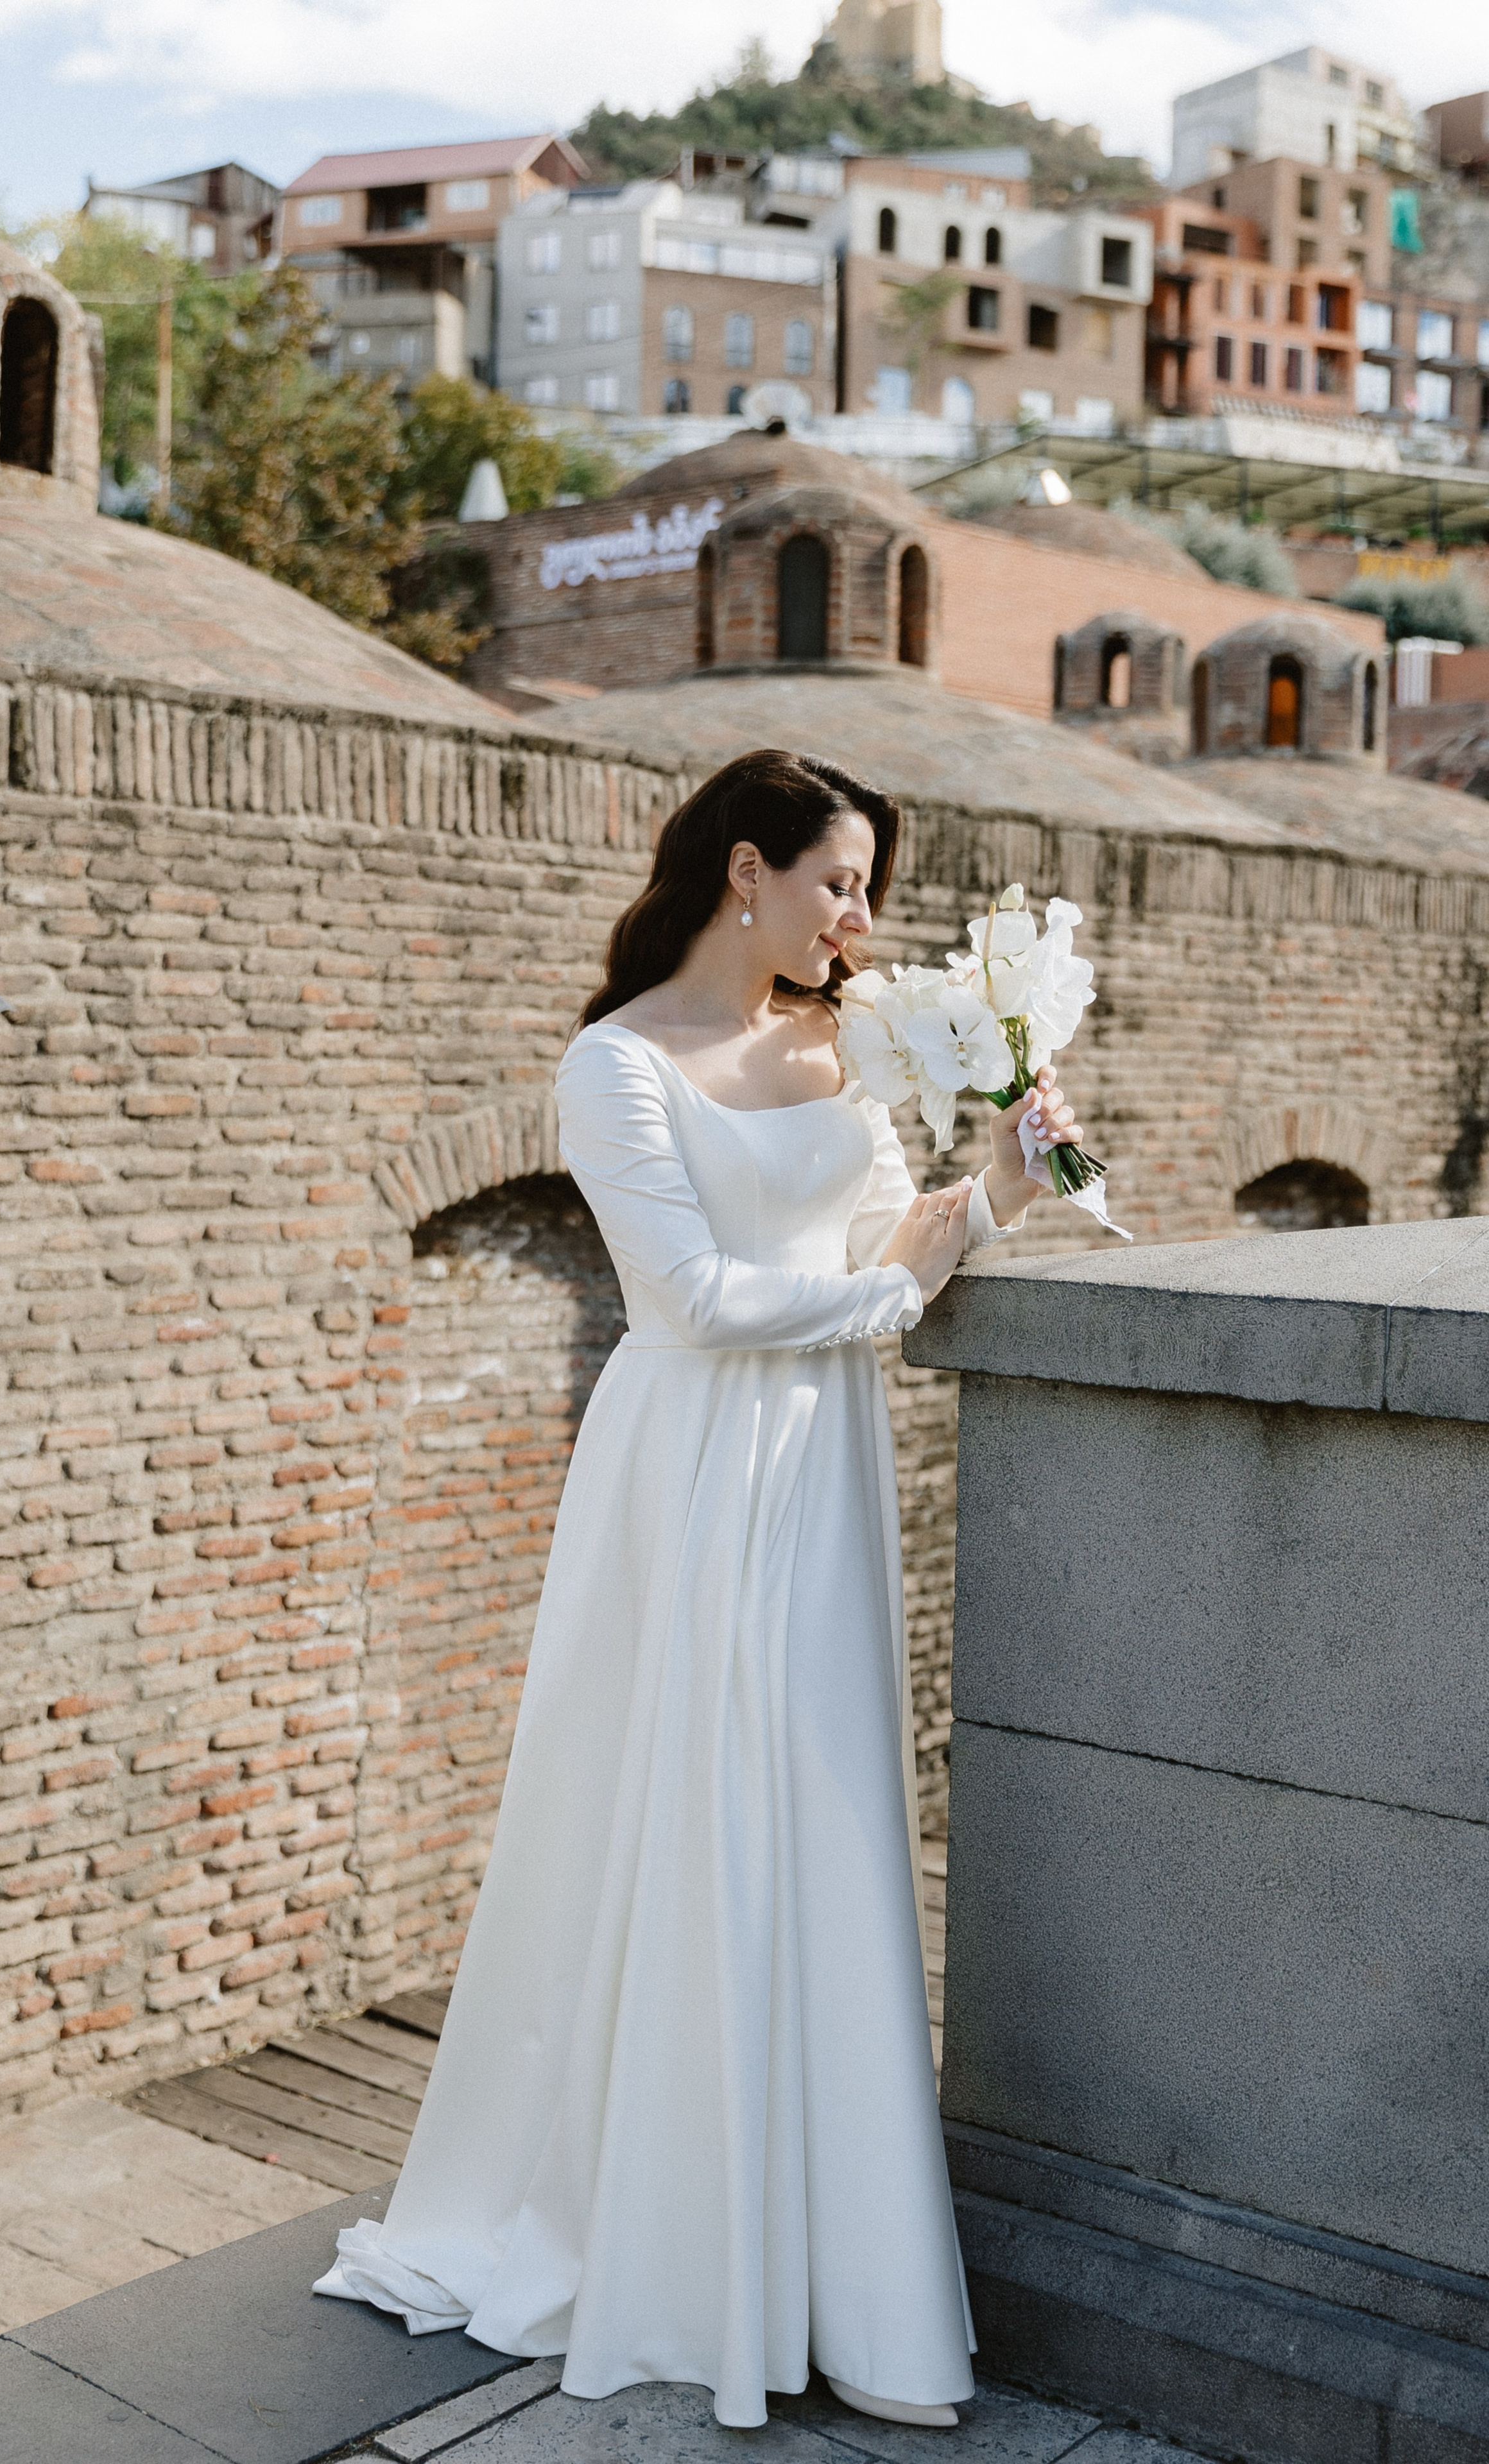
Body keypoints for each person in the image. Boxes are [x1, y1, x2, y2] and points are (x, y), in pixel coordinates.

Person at [314, 749, 1080, 2429]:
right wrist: (888, 1302)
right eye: (841, 882)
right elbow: (701, 1299)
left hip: (827, 1469)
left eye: (867, 886)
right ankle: (682, 2247)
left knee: (826, 1813)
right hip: (691, 1472)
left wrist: (999, 1187)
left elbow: (889, 1237)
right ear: (749, 871)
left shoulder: (842, 1041)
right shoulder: (617, 1067)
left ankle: (843, 2278)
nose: (864, 917)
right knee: (700, 1818)